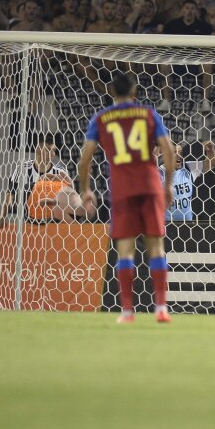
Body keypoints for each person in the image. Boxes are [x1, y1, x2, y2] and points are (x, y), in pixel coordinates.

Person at [78, 71, 176, 324]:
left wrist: (86, 189)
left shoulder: (101, 119)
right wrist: (168, 185)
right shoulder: (148, 114)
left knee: (125, 252)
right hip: (150, 186)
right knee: (156, 249)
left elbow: (85, 159)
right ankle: (161, 308)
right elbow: (167, 149)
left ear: (112, 92)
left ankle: (127, 312)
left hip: (122, 190)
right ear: (135, 92)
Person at [162, 138, 215, 221]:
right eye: (174, 152)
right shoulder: (159, 174)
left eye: (180, 152)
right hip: (167, 224)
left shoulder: (188, 168)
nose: (179, 155)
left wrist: (211, 150)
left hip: (188, 225)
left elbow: (212, 163)